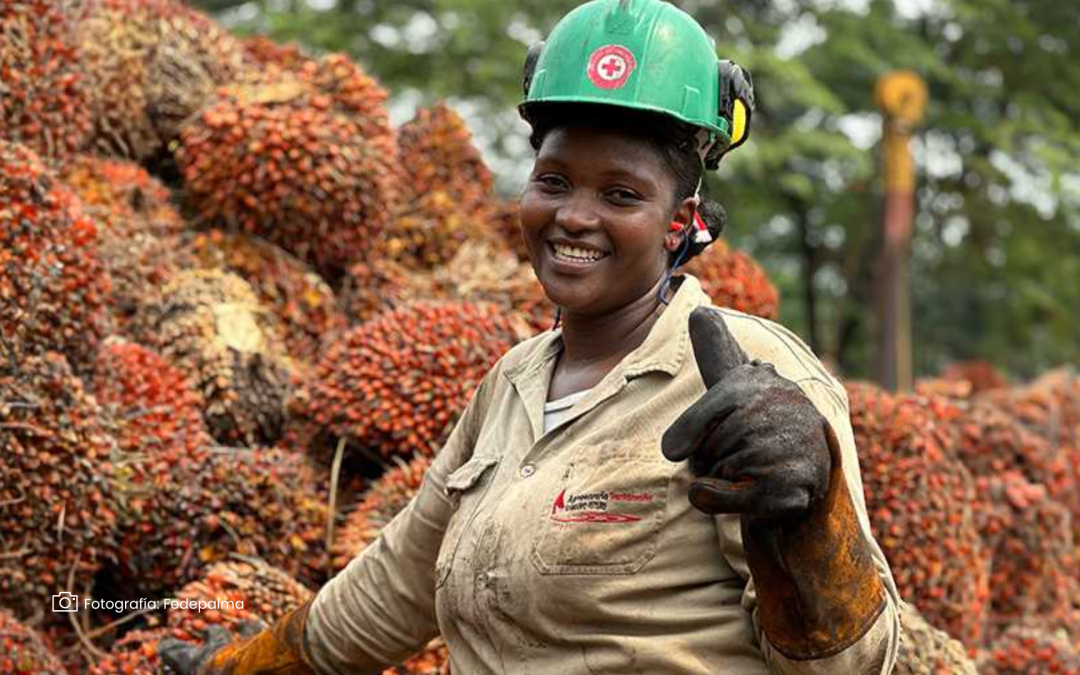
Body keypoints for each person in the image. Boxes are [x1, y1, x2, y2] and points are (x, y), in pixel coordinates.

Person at [161, 0, 902, 673]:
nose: (574, 216)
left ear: (677, 222)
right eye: (554, 181)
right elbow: (396, 584)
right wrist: (246, 666)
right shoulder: (511, 383)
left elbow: (851, 666)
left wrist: (811, 519)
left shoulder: (752, 379)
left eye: (620, 194)